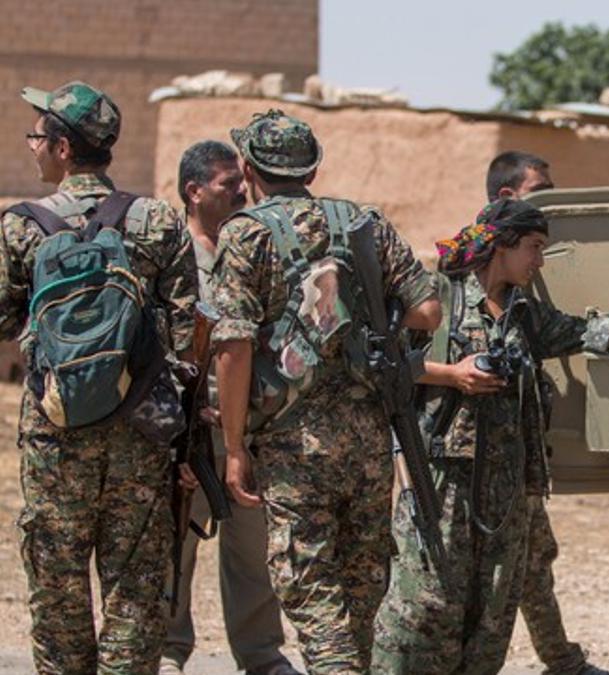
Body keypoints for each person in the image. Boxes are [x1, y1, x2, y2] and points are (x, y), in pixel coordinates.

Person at [372, 198, 609, 674]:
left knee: (493, 608)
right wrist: (453, 374)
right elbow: (385, 366)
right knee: (428, 604)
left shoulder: (525, 313)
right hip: (443, 482)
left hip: (507, 488)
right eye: (533, 247)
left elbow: (604, 334)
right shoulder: (436, 297)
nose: (539, 261)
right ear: (502, 246)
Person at [211, 109, 441, 673]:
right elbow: (428, 311)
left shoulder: (244, 234)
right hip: (367, 439)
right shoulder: (362, 222)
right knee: (360, 596)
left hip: (294, 447)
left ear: (248, 168)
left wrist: (235, 446)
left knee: (314, 597)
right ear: (311, 168)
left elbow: (234, 347)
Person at [0, 81, 196, 673]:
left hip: (55, 431)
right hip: (141, 430)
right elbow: (188, 330)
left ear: (63, 149)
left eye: (38, 136)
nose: (31, 146)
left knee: (57, 581)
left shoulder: (21, 227)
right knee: (135, 587)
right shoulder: (157, 220)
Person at [485, 150, 609, 675]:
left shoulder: (529, 282)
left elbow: (576, 331)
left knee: (532, 560)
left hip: (516, 460)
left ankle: (560, 660)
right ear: (506, 199)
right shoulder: (458, 286)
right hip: (464, 468)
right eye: (540, 189)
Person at [160, 140, 299, 675]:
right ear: (194, 192)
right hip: (187, 425)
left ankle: (261, 654)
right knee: (177, 542)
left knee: (252, 546)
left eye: (242, 181)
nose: (242, 190)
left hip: (249, 424)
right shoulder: (170, 252)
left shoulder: (254, 247)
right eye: (227, 184)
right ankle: (170, 648)